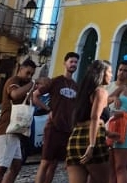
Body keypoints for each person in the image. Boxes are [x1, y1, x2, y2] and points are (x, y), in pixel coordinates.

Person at [34, 51, 81, 183]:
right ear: (65, 63)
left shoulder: (76, 86)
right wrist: (48, 109)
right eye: (71, 61)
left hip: (67, 130)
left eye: (76, 62)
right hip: (53, 127)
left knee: (54, 165)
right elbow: (35, 96)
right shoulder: (55, 81)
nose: (73, 64)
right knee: (45, 163)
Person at [0, 58, 38, 183]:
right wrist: (32, 84)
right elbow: (15, 94)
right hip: (7, 130)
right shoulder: (13, 81)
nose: (29, 76)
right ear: (20, 69)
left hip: (15, 132)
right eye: (27, 73)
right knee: (0, 168)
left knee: (16, 165)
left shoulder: (23, 83)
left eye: (31, 74)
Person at [66, 60, 112, 183]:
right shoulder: (101, 91)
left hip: (75, 139)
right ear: (102, 73)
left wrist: (108, 133)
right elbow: (94, 117)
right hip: (93, 139)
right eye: (109, 72)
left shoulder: (83, 92)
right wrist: (91, 145)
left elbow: (84, 118)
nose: (111, 75)